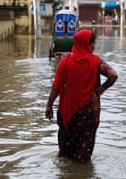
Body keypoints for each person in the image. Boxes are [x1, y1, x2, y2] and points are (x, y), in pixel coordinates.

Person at [45, 29, 118, 162]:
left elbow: (56, 87)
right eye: (93, 43)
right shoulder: (96, 61)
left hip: (68, 113)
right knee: (83, 155)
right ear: (87, 44)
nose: (94, 46)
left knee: (64, 153)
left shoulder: (64, 62)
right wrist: (102, 89)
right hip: (88, 112)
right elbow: (113, 75)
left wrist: (49, 105)